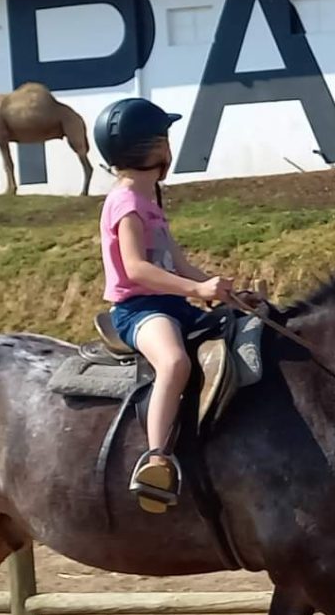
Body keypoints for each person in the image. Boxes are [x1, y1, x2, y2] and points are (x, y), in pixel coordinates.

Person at [94, 98, 233, 514]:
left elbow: (179, 263)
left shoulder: (150, 199)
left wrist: (221, 290)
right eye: (165, 139)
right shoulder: (127, 204)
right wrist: (198, 289)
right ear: (152, 148)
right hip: (140, 308)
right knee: (174, 363)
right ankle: (155, 458)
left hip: (170, 301)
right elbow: (136, 270)